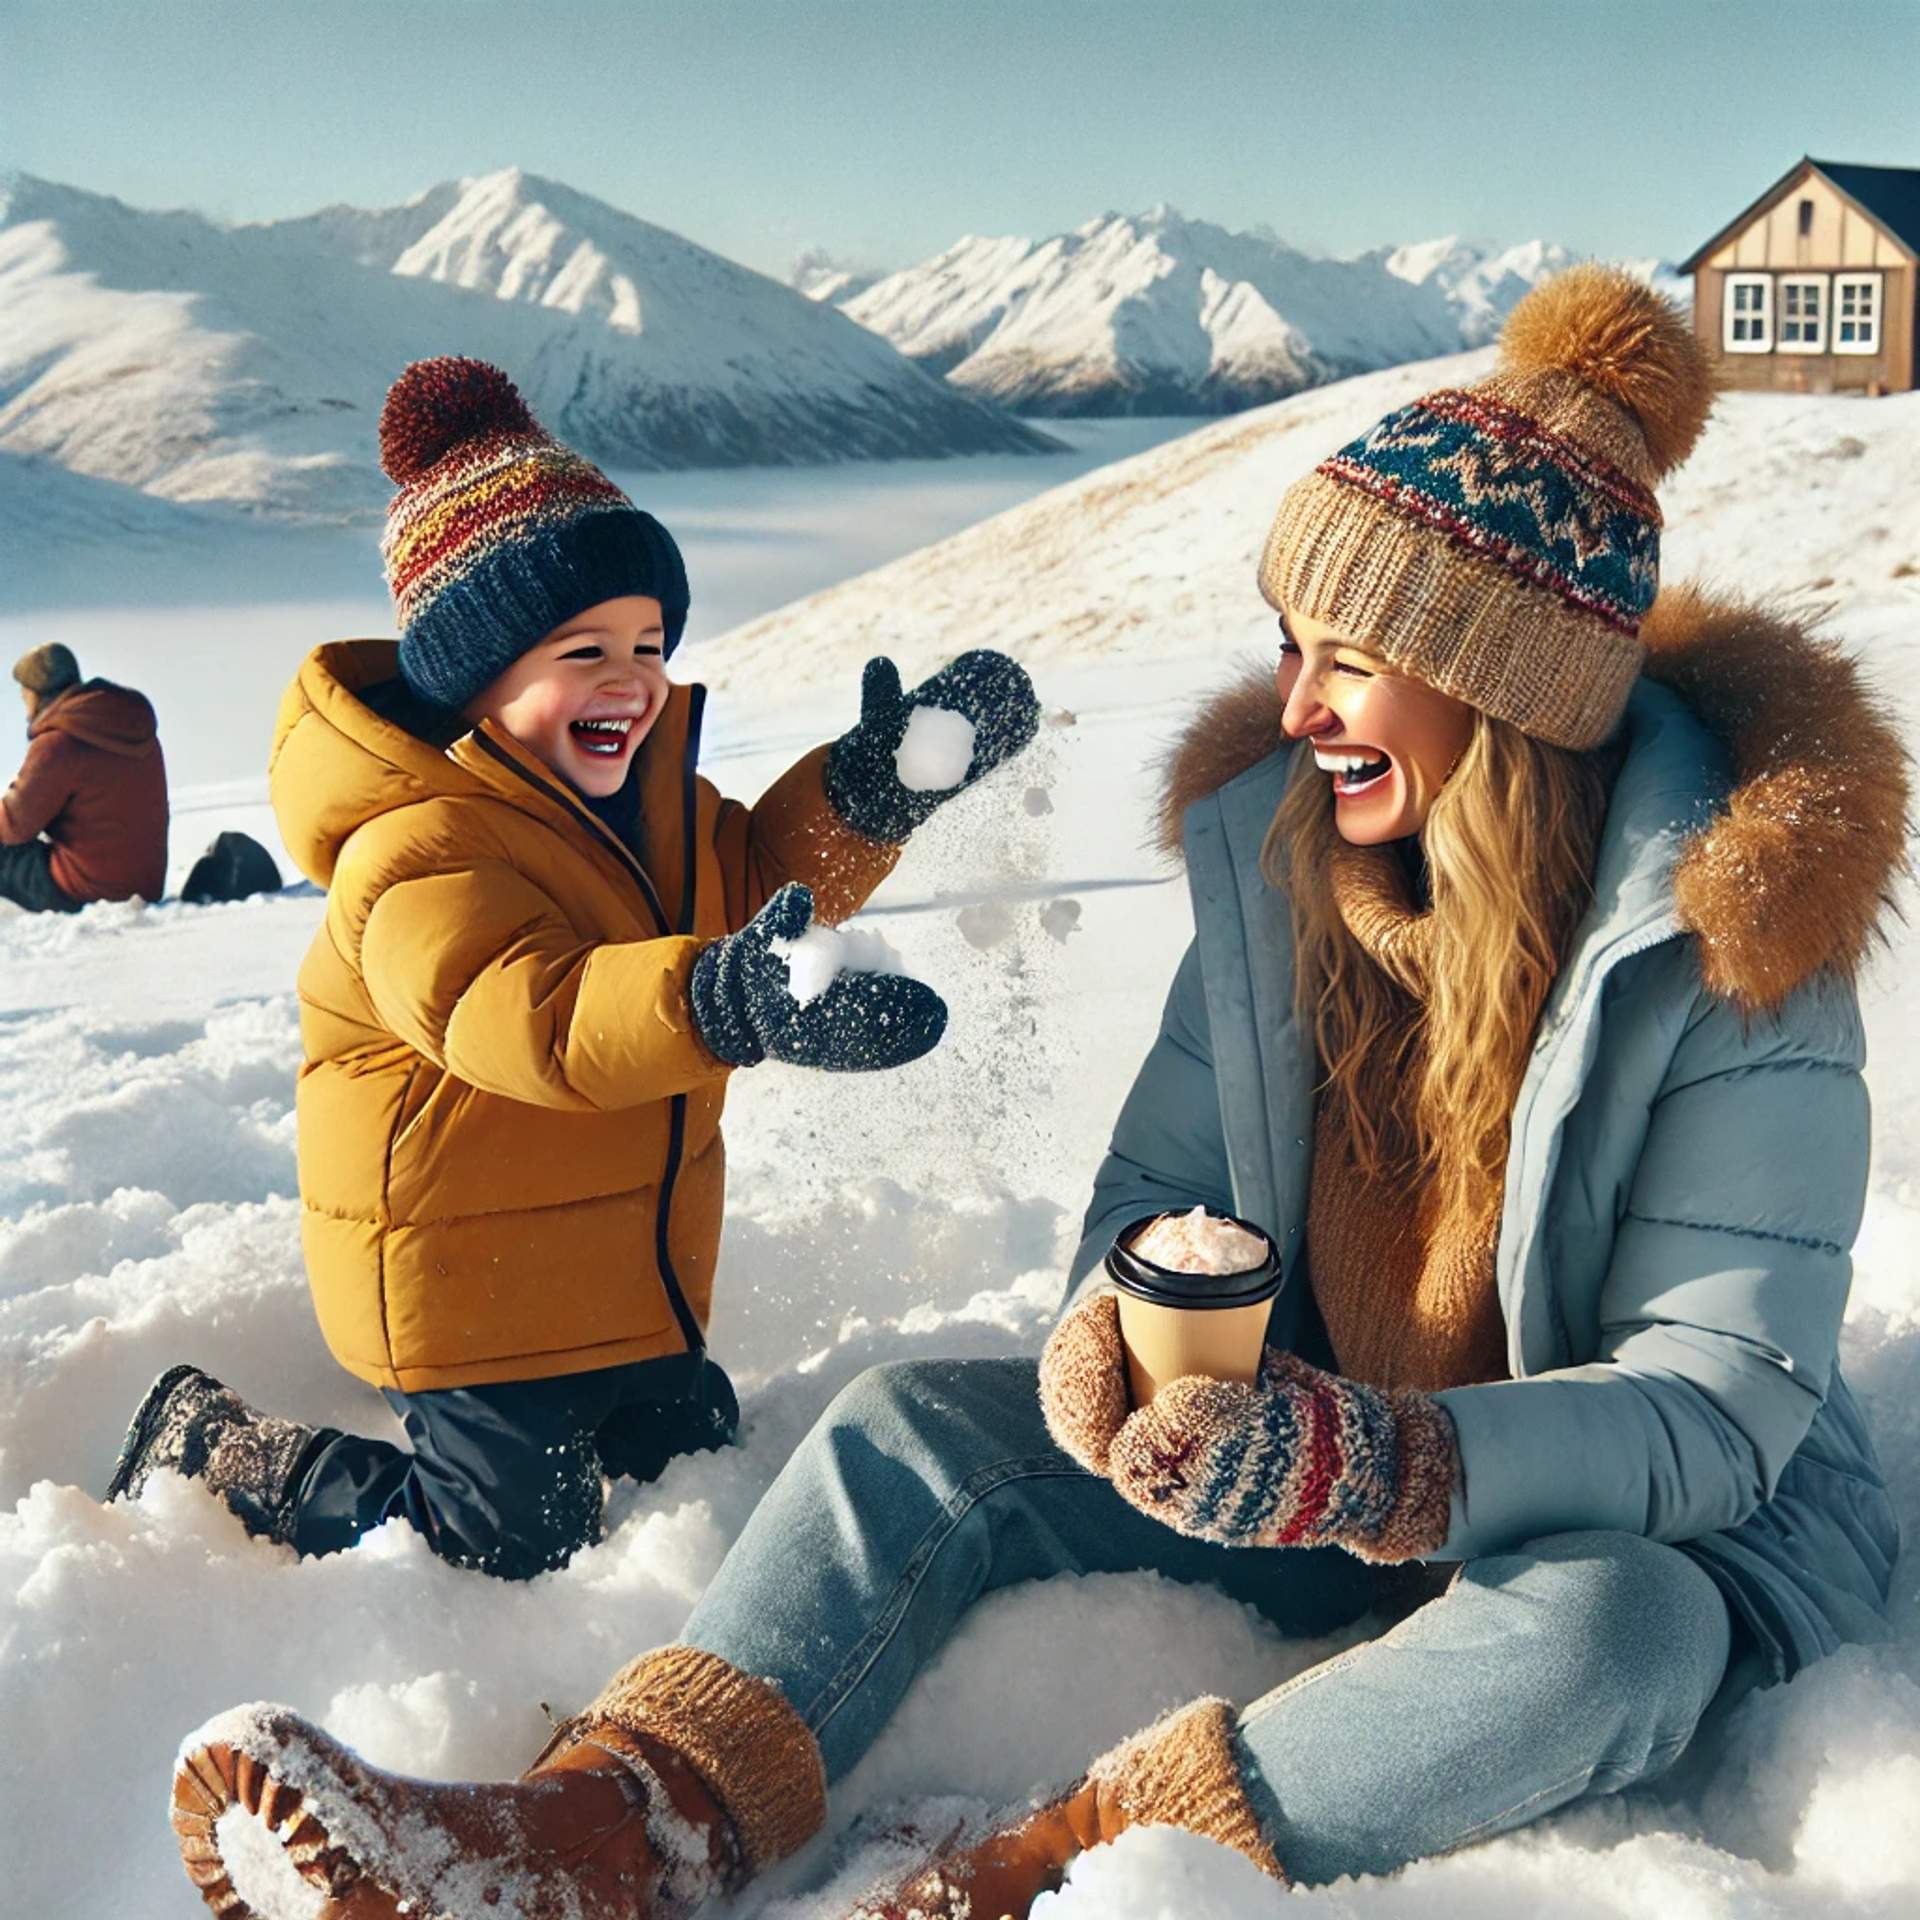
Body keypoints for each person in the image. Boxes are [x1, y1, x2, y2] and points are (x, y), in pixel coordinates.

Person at [165, 271, 1903, 1919]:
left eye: (1346, 662)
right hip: (1308, 1455)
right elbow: (1155, 1180)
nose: (1294, 708)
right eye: (1286, 645)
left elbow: (1717, 1406)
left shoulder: (1732, 953)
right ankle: (618, 1822)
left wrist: (1396, 1462)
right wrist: (1109, 1331)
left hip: (1635, 1529)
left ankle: (1038, 1872)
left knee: (1620, 1638)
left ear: (1498, 685)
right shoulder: (1282, 867)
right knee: (917, 1420)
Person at [107, 357, 1040, 1585]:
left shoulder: (653, 809)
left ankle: (620, 1392)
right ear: (474, 676)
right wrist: (723, 997)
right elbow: (531, 1016)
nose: (631, 679)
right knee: (507, 1539)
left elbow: (754, 876)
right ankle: (219, 1449)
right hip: (468, 1290)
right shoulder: (418, 854)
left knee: (692, 1450)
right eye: (582, 648)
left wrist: (868, 794)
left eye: (650, 643)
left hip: (625, 1274)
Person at [0, 642, 168, 911]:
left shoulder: (59, 743)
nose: (23, 704)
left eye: (24, 695)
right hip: (145, 885)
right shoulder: (133, 727)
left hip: (86, 890)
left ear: (37, 695)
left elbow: (12, 825)